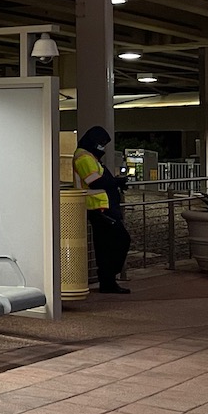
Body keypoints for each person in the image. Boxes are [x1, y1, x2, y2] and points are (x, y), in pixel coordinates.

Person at [73, 126, 131, 294]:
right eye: (101, 143)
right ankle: (108, 278)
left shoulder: (90, 156)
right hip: (98, 207)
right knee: (121, 240)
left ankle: (108, 282)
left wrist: (115, 182)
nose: (102, 147)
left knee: (105, 246)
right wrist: (116, 183)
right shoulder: (83, 157)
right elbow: (95, 181)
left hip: (103, 207)